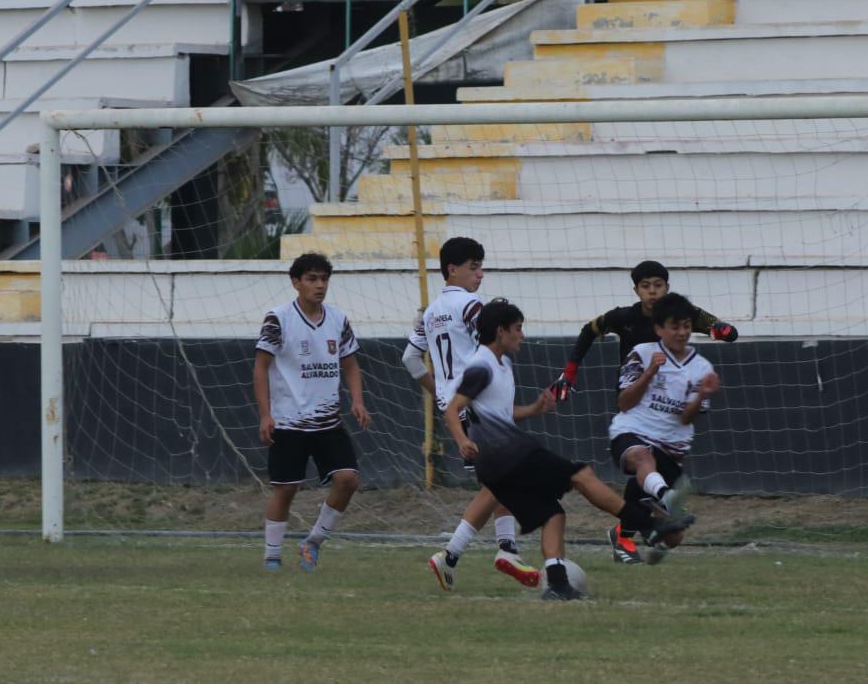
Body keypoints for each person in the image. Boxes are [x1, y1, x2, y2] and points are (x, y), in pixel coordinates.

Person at [440, 299, 691, 601]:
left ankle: (558, 585)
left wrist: (534, 409)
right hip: (508, 454)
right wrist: (462, 441)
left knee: (553, 513)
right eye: (518, 328)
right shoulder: (481, 366)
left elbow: (500, 414)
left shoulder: (501, 363)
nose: (522, 335)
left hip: (494, 465)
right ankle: (649, 526)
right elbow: (452, 410)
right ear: (501, 331)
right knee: (581, 475)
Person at [549, 260, 735, 563]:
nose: (652, 292)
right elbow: (589, 332)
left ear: (667, 288)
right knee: (642, 459)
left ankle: (635, 532)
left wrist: (720, 332)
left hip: (670, 432)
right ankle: (655, 507)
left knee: (668, 525)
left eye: (658, 285)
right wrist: (569, 373)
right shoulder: (632, 333)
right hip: (636, 409)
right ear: (636, 291)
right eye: (645, 286)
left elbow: (722, 330)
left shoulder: (696, 355)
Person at [403, 237, 539, 592]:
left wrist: (441, 394)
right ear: (453, 269)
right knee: (503, 478)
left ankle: (505, 549)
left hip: (458, 407)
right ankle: (453, 554)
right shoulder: (471, 305)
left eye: (481, 267)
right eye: (474, 267)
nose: (480, 274)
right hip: (479, 405)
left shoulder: (430, 313)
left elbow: (410, 358)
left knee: (499, 481)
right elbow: (491, 339)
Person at [254, 253, 371, 572]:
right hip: (288, 421)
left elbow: (351, 365)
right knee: (286, 488)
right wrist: (265, 415)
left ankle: (313, 542)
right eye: (312, 279)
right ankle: (272, 556)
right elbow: (261, 367)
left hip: (327, 422)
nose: (320, 285)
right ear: (296, 283)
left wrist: (357, 401)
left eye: (324, 279)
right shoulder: (278, 319)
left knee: (348, 479)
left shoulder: (337, 319)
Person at [607, 294, 721, 563]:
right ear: (659, 328)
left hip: (670, 448)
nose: (682, 333)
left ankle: (635, 539)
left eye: (687, 326)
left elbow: (686, 419)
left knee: (674, 536)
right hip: (632, 432)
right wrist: (649, 373)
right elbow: (624, 403)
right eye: (675, 327)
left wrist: (701, 395)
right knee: (643, 456)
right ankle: (665, 496)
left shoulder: (702, 367)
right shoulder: (642, 353)